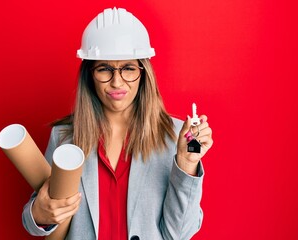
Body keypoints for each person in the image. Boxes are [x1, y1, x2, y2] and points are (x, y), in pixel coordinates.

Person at [22, 7, 213, 240]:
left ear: (143, 73)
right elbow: (34, 222)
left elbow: (179, 234)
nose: (116, 82)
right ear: (90, 74)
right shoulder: (64, 136)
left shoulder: (175, 135)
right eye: (104, 69)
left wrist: (186, 163)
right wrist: (40, 214)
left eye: (128, 69)